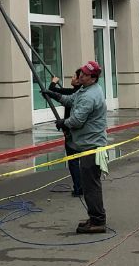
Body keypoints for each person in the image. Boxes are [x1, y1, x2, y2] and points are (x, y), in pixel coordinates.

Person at [46, 61, 108, 234]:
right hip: (87, 144)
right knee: (90, 184)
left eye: (85, 74)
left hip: (92, 146)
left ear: (93, 78)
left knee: (90, 186)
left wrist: (63, 123)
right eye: (81, 72)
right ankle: (95, 216)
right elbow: (71, 100)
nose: (81, 76)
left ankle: (97, 221)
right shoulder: (85, 89)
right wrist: (53, 94)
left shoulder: (90, 96)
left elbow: (77, 121)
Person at [45, 70, 83, 196]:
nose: (71, 78)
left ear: (78, 80)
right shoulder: (79, 92)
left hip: (70, 130)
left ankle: (78, 188)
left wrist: (53, 82)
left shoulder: (72, 92)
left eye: (73, 76)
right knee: (80, 161)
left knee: (73, 162)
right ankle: (81, 186)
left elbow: (50, 92)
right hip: (78, 131)